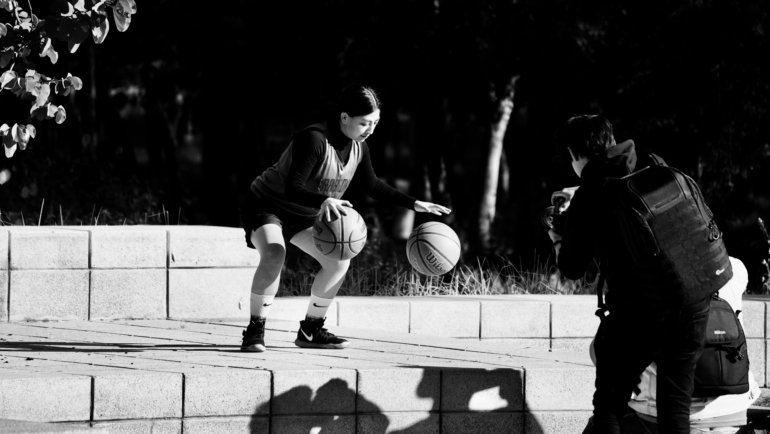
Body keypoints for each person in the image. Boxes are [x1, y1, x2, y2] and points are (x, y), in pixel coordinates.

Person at [238, 84, 451, 352]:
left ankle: (311, 329)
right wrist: (324, 200)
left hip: (306, 213)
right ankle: (255, 330)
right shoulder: (314, 139)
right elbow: (293, 187)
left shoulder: (359, 147)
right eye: (364, 123)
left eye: (375, 123)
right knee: (274, 253)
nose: (370, 129)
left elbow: (372, 185)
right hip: (267, 204)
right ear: (344, 117)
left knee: (339, 260)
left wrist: (414, 203)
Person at [548, 114, 717, 433]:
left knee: (609, 404)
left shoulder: (592, 191)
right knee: (674, 405)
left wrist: (558, 236)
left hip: (641, 310)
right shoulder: (654, 165)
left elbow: (572, 267)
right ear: (611, 139)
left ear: (573, 153)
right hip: (695, 297)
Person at [582, 257, 761, 434]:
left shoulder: (638, 270)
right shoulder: (733, 266)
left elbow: (599, 356)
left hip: (659, 416)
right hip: (734, 409)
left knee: (600, 421)